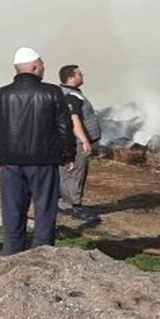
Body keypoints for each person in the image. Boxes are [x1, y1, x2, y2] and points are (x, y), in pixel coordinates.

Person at [0, 48, 75, 255]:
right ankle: (41, 255)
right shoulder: (52, 92)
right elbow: (64, 126)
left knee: (13, 210)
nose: (44, 69)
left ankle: (12, 254)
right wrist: (68, 154)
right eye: (42, 65)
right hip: (43, 161)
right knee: (44, 210)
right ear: (34, 67)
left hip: (11, 162)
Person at [58, 64, 102, 225]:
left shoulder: (65, 92)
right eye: (79, 74)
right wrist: (84, 140)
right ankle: (76, 207)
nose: (82, 76)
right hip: (76, 141)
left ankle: (59, 202)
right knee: (76, 172)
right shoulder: (71, 95)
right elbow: (74, 119)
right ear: (71, 78)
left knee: (66, 172)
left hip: (71, 140)